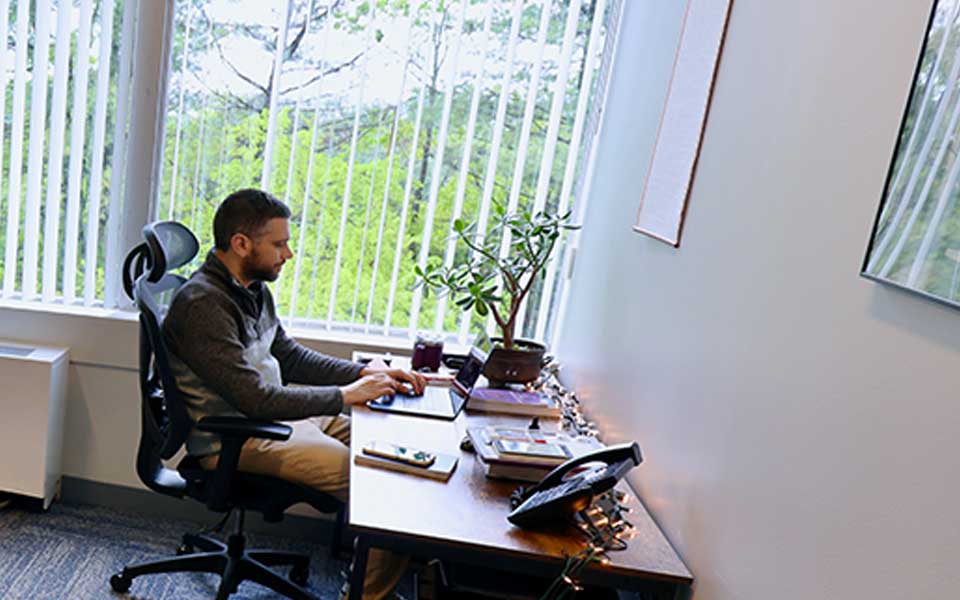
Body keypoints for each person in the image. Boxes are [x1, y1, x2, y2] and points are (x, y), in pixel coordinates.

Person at [163, 188, 424, 600]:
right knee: (382, 494)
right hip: (238, 435)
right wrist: (347, 394)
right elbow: (256, 400)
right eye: (279, 244)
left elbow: (289, 356)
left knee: (394, 459)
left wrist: (365, 373)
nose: (288, 254)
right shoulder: (204, 305)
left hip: (274, 420)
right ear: (241, 243)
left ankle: (371, 583)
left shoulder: (250, 289)